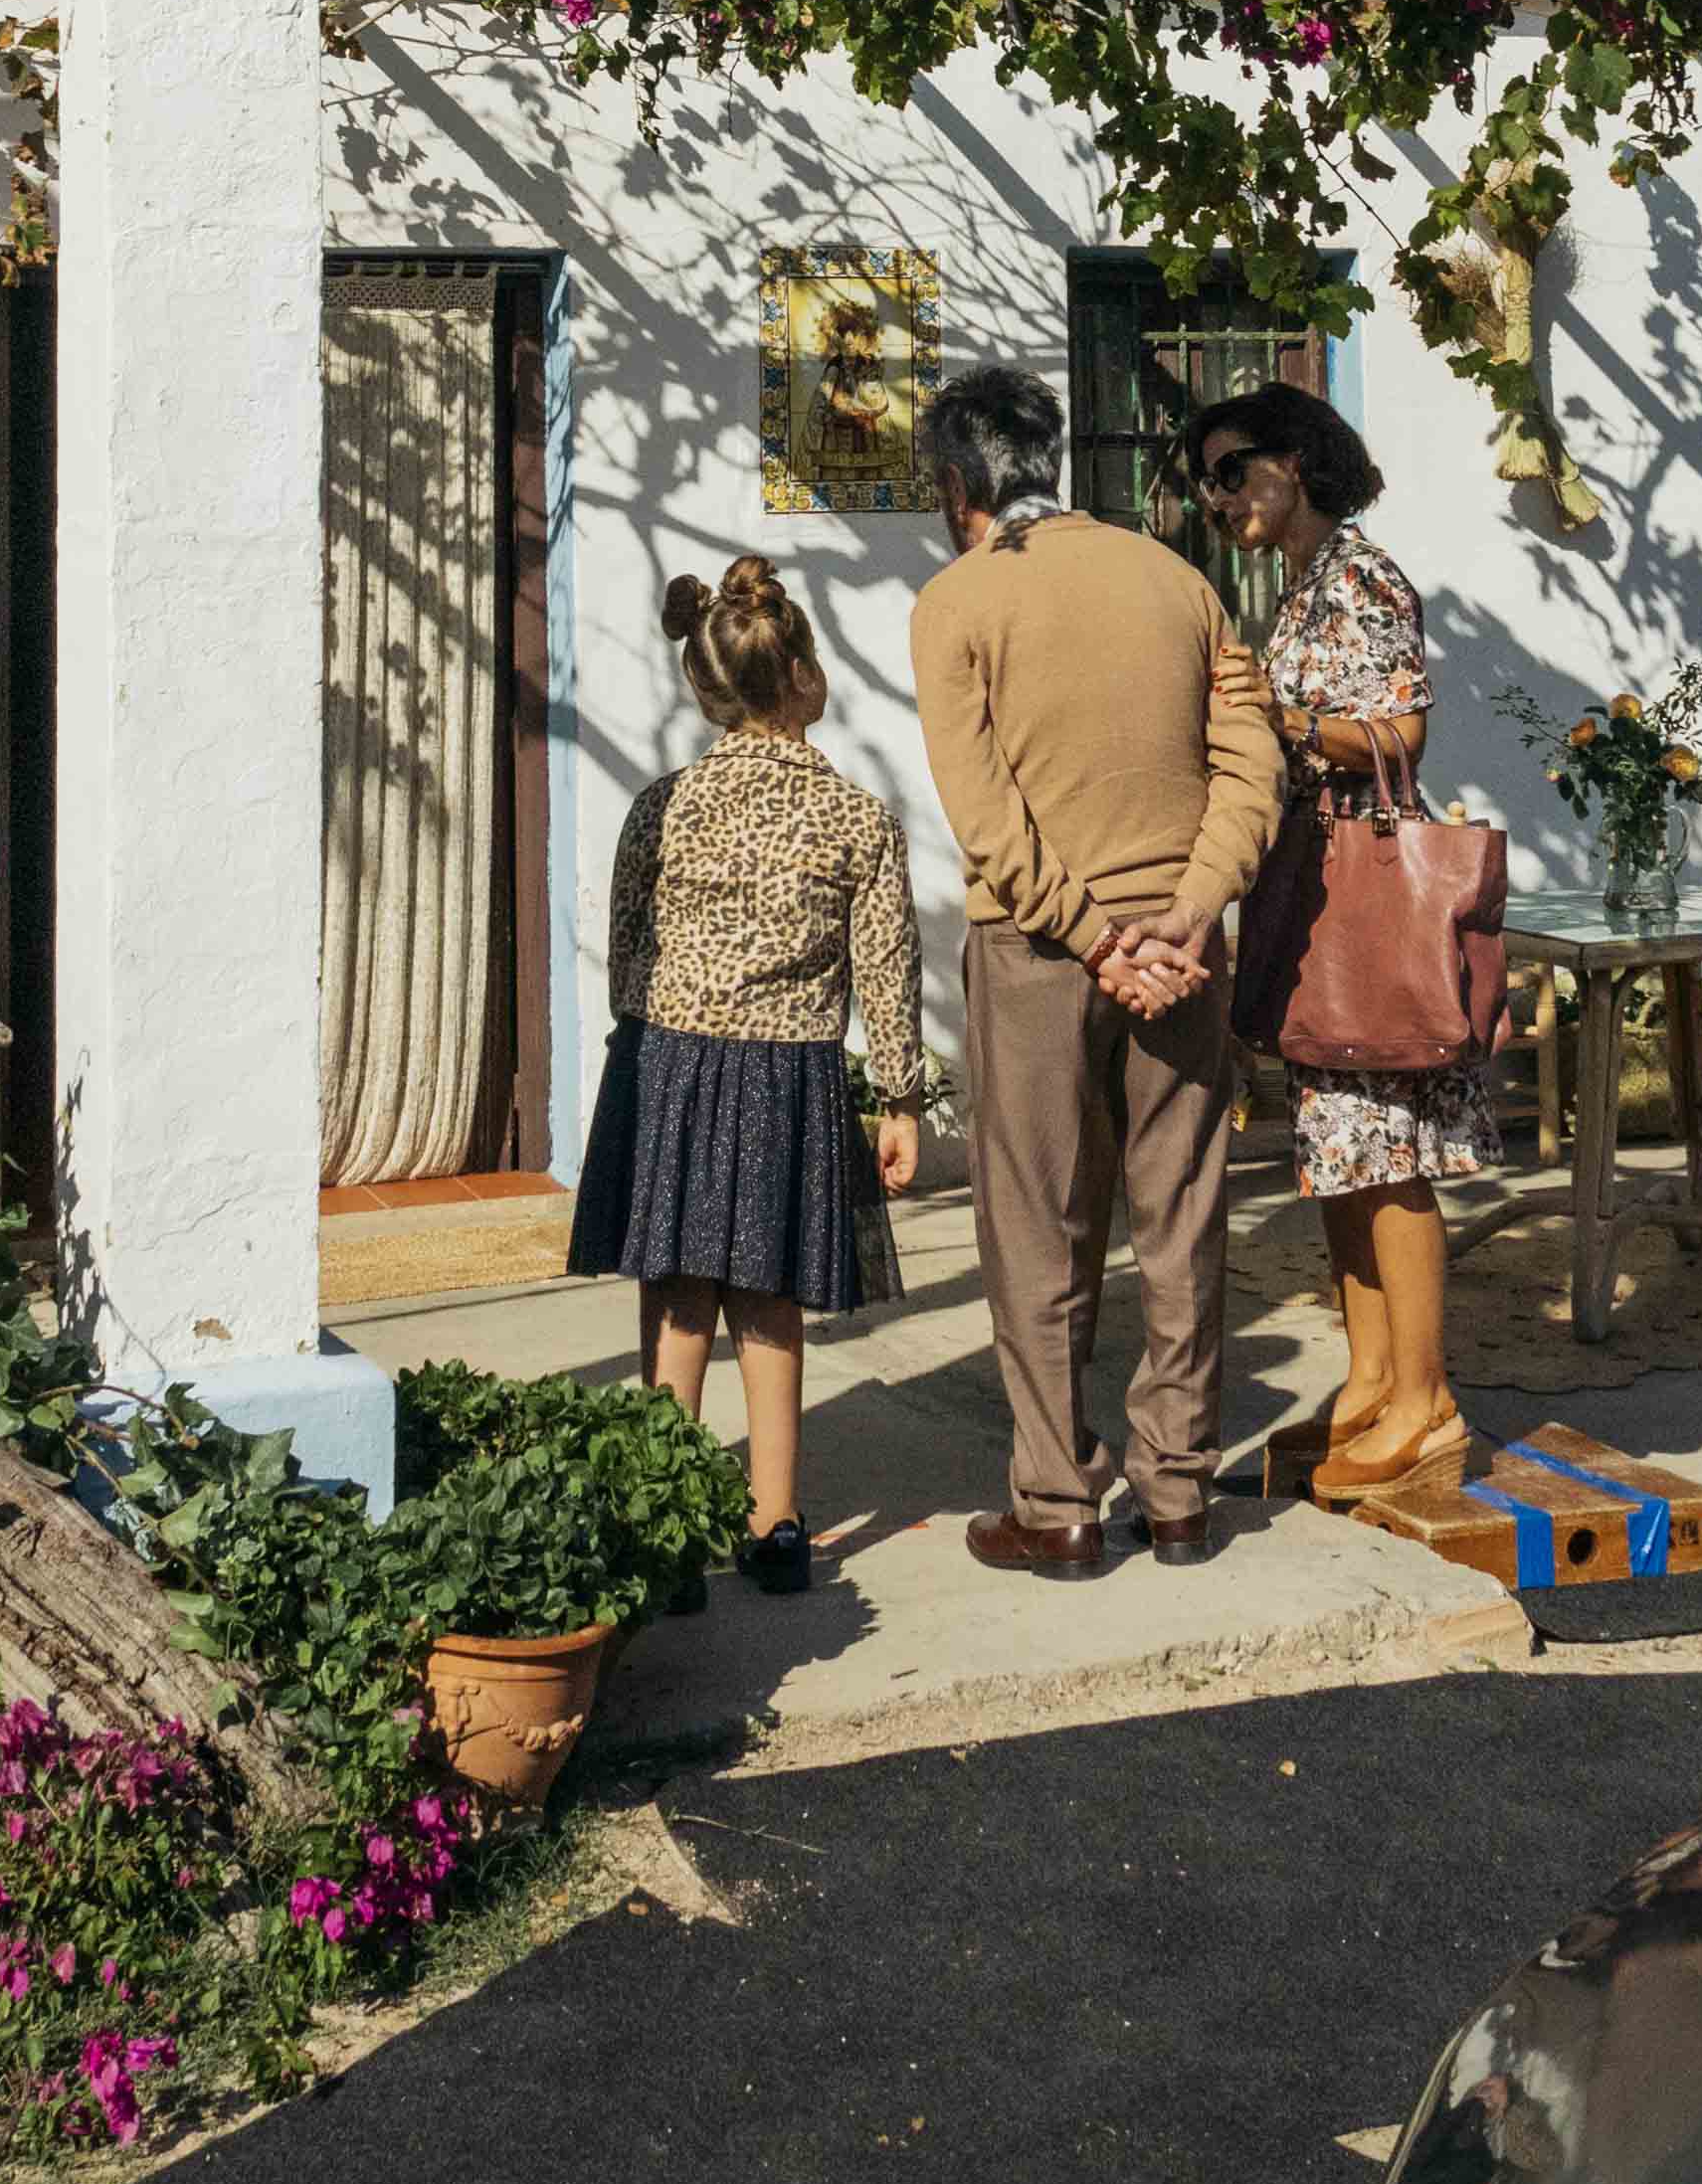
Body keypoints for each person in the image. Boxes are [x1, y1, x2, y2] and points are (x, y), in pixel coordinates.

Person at [904, 364, 1276, 1575]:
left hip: (1040, 950)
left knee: (1037, 1225)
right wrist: (1188, 911)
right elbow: (1251, 769)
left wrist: (1101, 936)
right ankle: (1178, 1493)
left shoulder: (955, 604)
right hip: (1184, 947)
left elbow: (988, 819)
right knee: (1181, 1216)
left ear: (959, 482)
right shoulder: (1182, 583)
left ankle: (1059, 1500)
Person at [567, 556, 926, 1599]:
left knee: (677, 1291)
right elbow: (886, 971)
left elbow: (627, 953)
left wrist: (657, 1031)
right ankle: (776, 1523)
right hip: (788, 1075)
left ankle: (660, 1521)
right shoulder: (860, 817)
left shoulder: (661, 806)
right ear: (805, 673)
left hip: (671, 1061)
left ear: (707, 687)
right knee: (768, 1296)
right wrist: (897, 1097)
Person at [1189, 379, 1482, 1500]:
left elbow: (1404, 728)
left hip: (1367, 897)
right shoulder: (1306, 586)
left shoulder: (1358, 575)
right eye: (1206, 481)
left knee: (1392, 1154)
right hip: (1319, 894)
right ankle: (1370, 1383)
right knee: (1344, 1150)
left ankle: (1428, 1399)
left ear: (1293, 464)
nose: (1217, 499)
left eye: (1230, 471)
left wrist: (1283, 718)